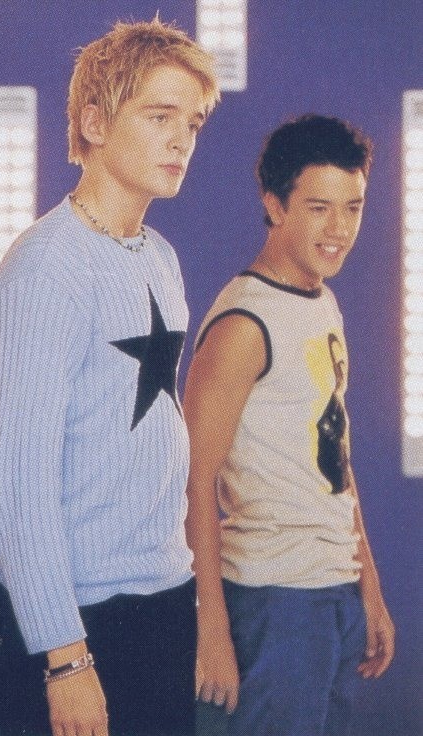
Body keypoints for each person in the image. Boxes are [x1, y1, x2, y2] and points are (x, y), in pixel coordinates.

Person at [0, 18, 219, 736]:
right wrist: (65, 660)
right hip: (75, 624)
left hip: (162, 605)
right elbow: (18, 481)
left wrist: (188, 600)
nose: (182, 140)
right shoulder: (45, 269)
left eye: (193, 123)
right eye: (160, 116)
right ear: (93, 122)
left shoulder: (160, 257)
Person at [183, 114, 395, 736]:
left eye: (353, 208)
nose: (339, 230)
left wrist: (368, 585)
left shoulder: (321, 301)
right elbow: (192, 480)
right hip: (272, 600)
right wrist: (212, 631)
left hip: (333, 592)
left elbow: (335, 459)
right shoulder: (243, 324)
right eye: (318, 209)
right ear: (274, 206)